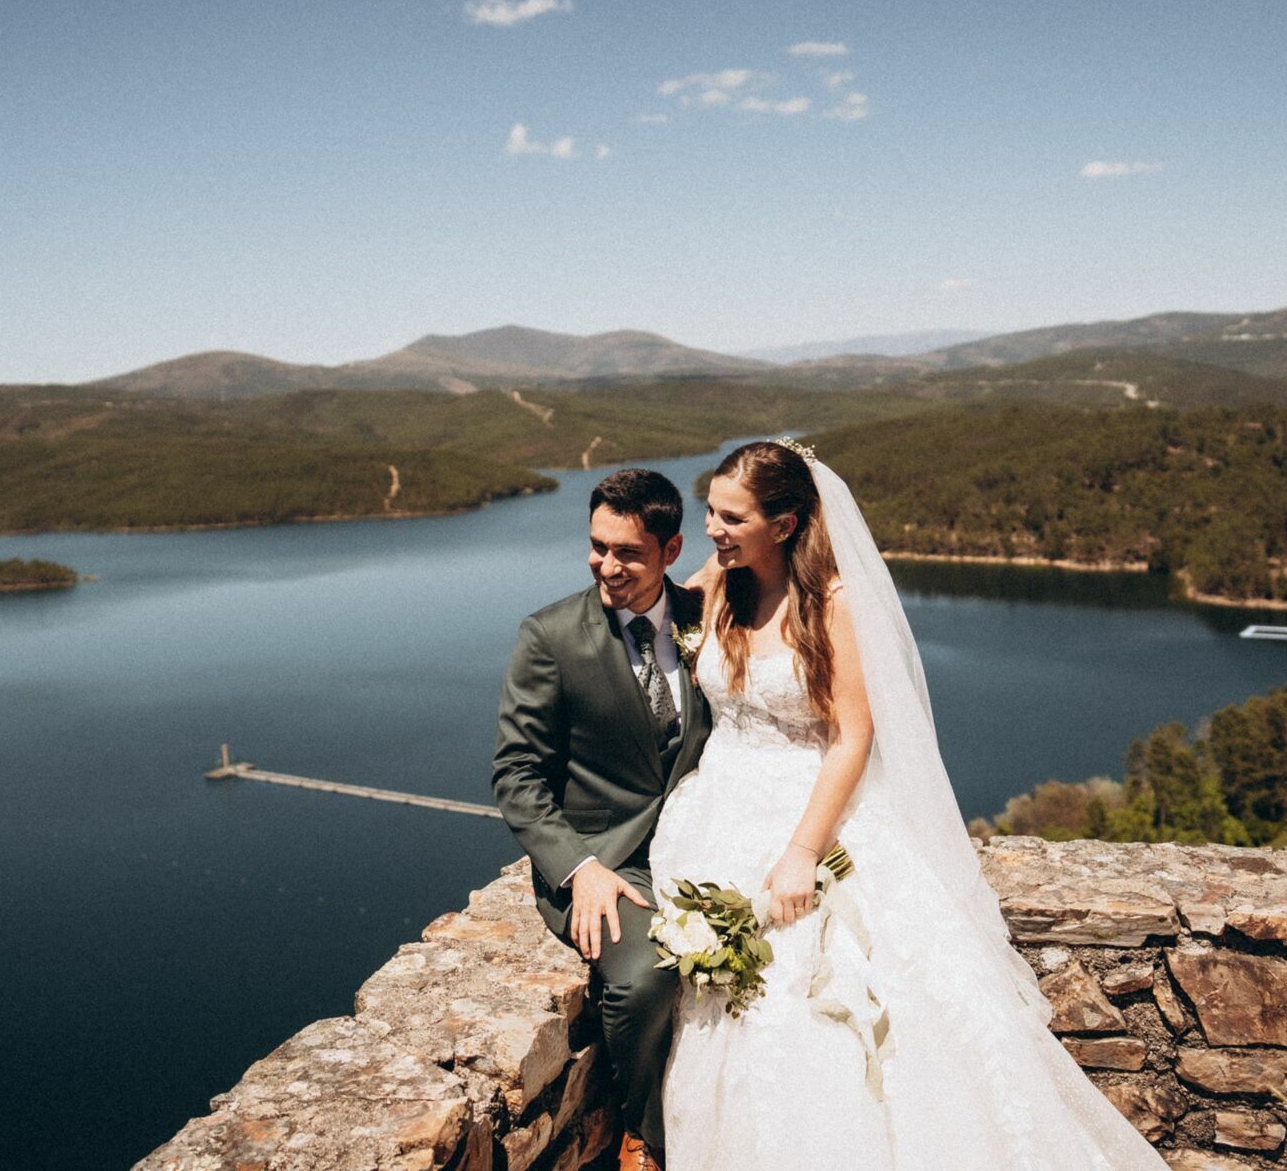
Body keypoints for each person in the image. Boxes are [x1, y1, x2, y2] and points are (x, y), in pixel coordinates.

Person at [648, 439, 1168, 1169]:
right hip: (713, 818)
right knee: (718, 1013)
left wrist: (801, 855)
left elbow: (852, 737)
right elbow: (648, 613)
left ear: (787, 524)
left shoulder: (831, 603)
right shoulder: (721, 584)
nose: (713, 528)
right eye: (710, 510)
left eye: (732, 517)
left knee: (820, 1009)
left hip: (807, 822)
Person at [492, 468, 712, 1171]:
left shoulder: (707, 619)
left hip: (707, 846)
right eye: (597, 547)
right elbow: (517, 775)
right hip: (606, 862)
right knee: (646, 974)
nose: (606, 566)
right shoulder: (550, 636)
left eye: (628, 553)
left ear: (671, 550)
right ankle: (650, 1137)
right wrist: (579, 868)